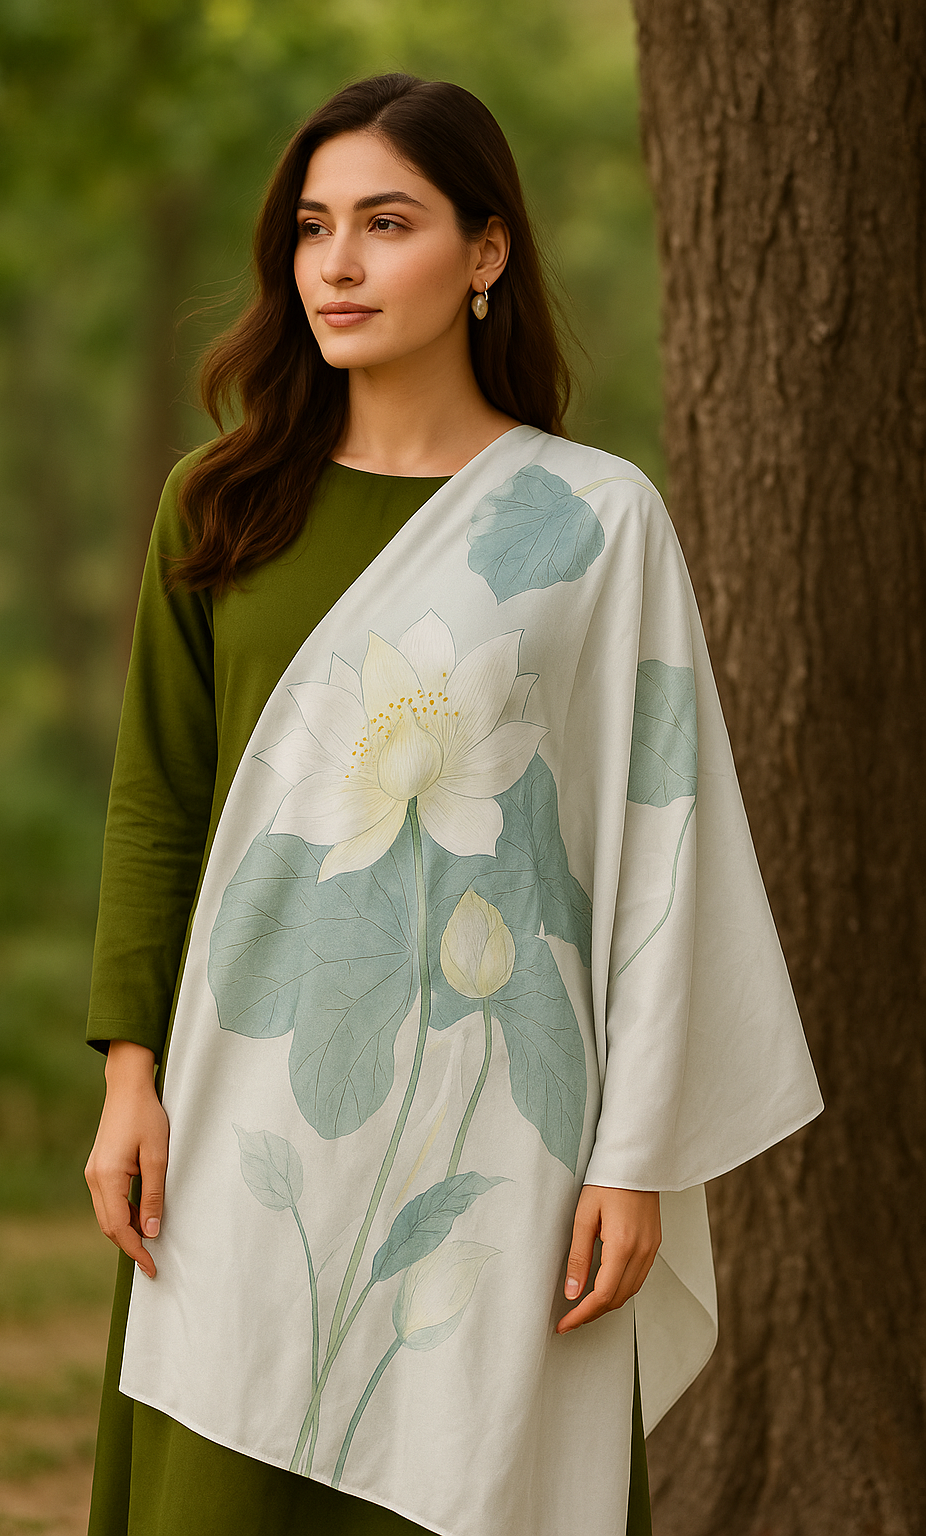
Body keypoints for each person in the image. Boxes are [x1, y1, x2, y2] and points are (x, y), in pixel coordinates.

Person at [83, 73, 822, 1536]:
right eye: (312, 227)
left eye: (386, 222)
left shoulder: (594, 522)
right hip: (250, 1119)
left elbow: (658, 849)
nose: (336, 266)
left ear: (486, 254)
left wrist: (637, 1154)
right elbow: (158, 802)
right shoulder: (224, 502)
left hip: (501, 1137)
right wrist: (129, 1076)